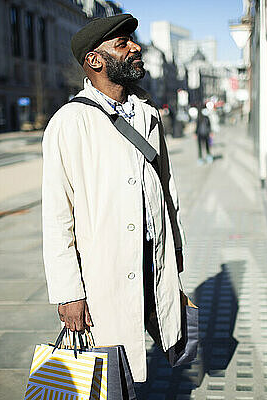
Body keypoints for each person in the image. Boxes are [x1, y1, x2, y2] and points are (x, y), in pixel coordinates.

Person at [41, 14, 186, 384]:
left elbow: (167, 187)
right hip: (102, 271)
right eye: (122, 44)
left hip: (151, 259)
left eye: (132, 41)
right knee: (108, 375)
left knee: (146, 352)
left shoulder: (147, 112)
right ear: (95, 61)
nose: (136, 48)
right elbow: (58, 217)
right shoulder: (70, 122)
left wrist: (176, 253)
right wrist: (68, 293)